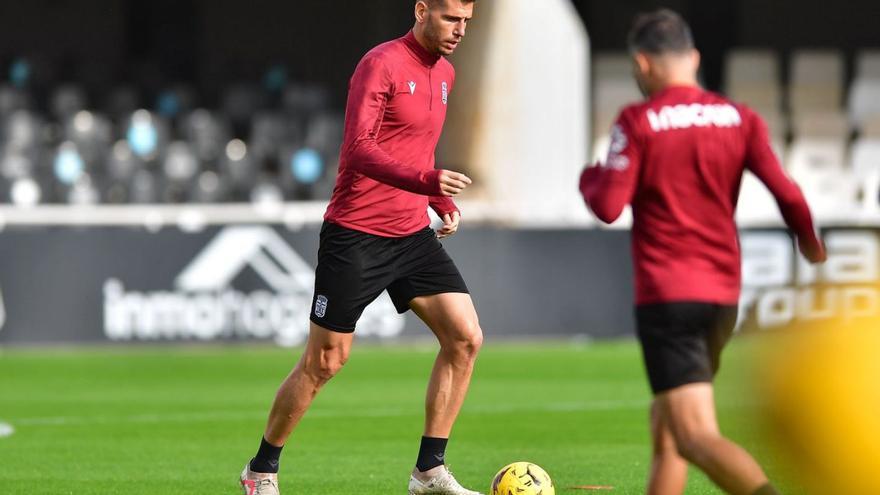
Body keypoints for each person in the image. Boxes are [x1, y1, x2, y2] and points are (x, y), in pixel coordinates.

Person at [240, 1, 483, 494]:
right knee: (325, 361)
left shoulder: (446, 75)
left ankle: (429, 472)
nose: (460, 30)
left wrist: (436, 198)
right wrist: (427, 179)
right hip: (356, 235)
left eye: (466, 22)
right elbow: (358, 148)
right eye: (451, 19)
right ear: (421, 10)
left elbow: (417, 146)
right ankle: (260, 470)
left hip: (411, 234)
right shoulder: (381, 64)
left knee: (465, 337)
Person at [579, 9, 826, 495]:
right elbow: (789, 193)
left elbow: (608, 206)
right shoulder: (740, 117)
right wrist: (811, 246)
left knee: (693, 436)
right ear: (692, 57)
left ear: (643, 64)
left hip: (668, 297)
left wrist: (589, 178)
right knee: (668, 426)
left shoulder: (639, 119)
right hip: (722, 298)